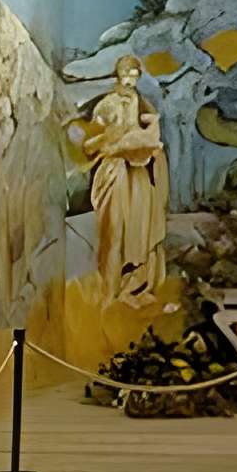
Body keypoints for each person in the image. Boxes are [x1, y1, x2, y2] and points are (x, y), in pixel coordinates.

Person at [84, 56, 169, 303]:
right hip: (115, 171)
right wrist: (114, 143)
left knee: (140, 228)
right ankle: (110, 290)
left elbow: (152, 135)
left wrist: (148, 145)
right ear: (117, 74)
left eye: (135, 75)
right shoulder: (107, 105)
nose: (130, 80)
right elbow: (89, 144)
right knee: (114, 230)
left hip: (137, 173)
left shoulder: (143, 105)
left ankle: (136, 283)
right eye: (126, 74)